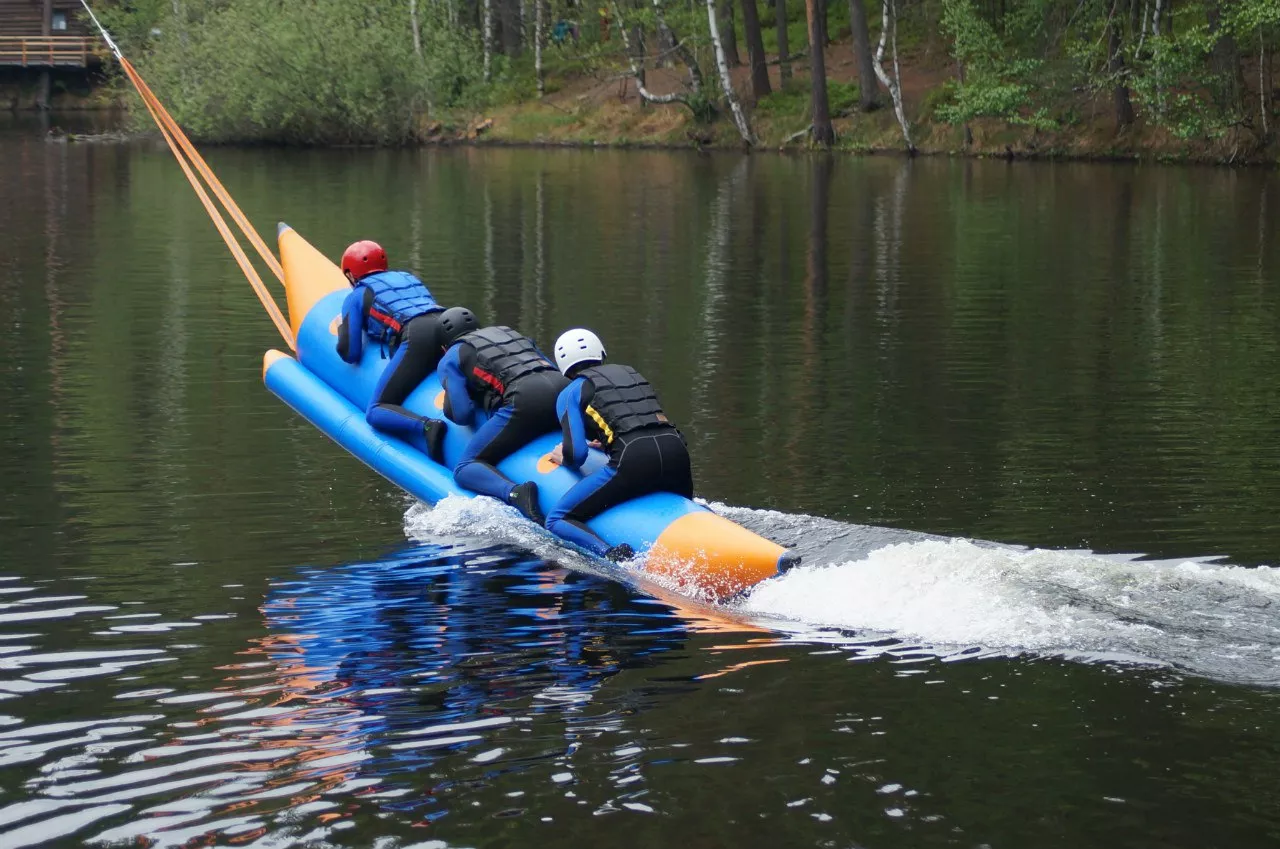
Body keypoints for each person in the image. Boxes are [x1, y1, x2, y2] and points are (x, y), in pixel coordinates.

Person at [545, 329, 692, 562]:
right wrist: (607, 443)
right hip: (677, 453)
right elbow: (642, 421)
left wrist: (565, 457)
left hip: (633, 459)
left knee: (557, 519)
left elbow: (577, 456)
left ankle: (612, 554)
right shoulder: (631, 373)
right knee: (691, 514)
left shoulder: (570, 392)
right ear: (601, 353)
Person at [437, 318, 568, 525]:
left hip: (526, 399)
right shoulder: (508, 332)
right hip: (563, 391)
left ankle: (516, 493)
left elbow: (462, 414)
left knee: (465, 468)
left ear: (444, 347)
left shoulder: (452, 354)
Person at [336, 240, 449, 458]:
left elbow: (350, 352)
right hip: (447, 326)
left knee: (376, 410)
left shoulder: (358, 294)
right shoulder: (408, 278)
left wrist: (344, 327)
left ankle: (426, 426)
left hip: (418, 336)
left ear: (350, 274)